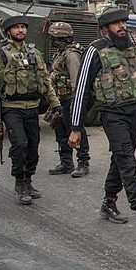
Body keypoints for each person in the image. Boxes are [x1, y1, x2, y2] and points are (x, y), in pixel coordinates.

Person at [68, 6, 136, 240]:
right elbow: (81, 91)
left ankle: (109, 201)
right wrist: (75, 127)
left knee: (120, 159)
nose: (122, 26)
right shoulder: (95, 51)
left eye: (124, 22)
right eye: (117, 24)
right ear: (105, 28)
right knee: (126, 160)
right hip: (113, 115)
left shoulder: (131, 47)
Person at [0, 15, 61, 205]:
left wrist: (55, 103)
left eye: (23, 28)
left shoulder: (35, 53)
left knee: (33, 147)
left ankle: (29, 180)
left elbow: (45, 81)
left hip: (32, 107)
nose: (20, 31)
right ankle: (19, 182)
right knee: (19, 144)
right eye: (16, 28)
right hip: (11, 108)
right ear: (9, 31)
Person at [47, 21, 90, 178]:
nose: (53, 42)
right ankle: (66, 162)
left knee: (75, 131)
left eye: (56, 39)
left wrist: (75, 104)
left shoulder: (72, 55)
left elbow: (76, 81)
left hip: (69, 99)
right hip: (59, 99)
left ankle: (83, 162)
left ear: (64, 39)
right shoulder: (60, 53)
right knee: (60, 131)